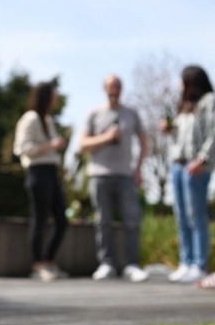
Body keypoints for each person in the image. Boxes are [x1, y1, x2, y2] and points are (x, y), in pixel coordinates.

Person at [79, 74, 148, 282]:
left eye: (117, 86)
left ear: (121, 89)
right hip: (99, 175)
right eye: (110, 86)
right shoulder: (94, 113)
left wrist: (138, 169)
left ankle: (131, 265)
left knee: (132, 220)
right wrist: (107, 137)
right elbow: (82, 145)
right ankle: (106, 264)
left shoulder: (131, 113)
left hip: (126, 175)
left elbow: (144, 142)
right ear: (104, 89)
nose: (114, 90)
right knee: (103, 222)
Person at [160, 65, 215, 285]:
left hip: (196, 166)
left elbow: (213, 132)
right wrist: (170, 130)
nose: (179, 85)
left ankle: (199, 265)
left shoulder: (209, 101)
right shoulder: (185, 107)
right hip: (179, 165)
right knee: (181, 216)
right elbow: (182, 138)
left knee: (196, 216)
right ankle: (186, 261)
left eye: (181, 80)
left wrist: (202, 159)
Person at [13, 81, 69, 281]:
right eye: (53, 95)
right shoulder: (30, 118)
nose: (56, 98)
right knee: (40, 219)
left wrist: (54, 146)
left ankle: (48, 261)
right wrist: (50, 145)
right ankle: (38, 265)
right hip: (37, 172)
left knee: (62, 220)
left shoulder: (48, 119)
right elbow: (21, 148)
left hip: (52, 172)